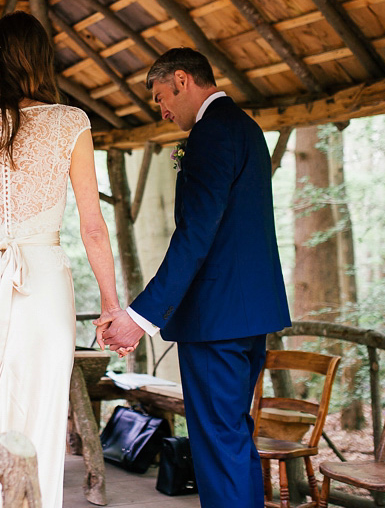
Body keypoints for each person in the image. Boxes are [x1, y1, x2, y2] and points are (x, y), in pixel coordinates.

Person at [0, 11, 121, 508]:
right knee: (35, 416)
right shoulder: (70, 122)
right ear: (41, 60)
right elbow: (93, 226)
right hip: (41, 282)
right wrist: (111, 304)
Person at [97, 48, 291, 507]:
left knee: (217, 444)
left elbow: (196, 236)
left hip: (215, 320)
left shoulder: (210, 133)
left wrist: (140, 317)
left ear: (183, 81)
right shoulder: (246, 127)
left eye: (163, 97)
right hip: (250, 317)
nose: (162, 110)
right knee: (232, 436)